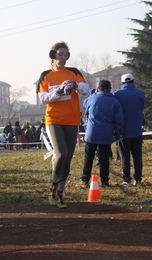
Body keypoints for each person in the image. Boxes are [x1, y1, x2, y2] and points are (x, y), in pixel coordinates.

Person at [36, 41, 90, 208]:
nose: (63, 58)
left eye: (66, 55)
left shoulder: (73, 72)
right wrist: (57, 91)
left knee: (67, 159)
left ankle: (60, 193)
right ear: (53, 56)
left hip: (72, 120)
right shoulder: (46, 75)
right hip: (54, 119)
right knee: (61, 154)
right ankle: (53, 185)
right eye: (60, 54)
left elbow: (86, 89)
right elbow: (43, 98)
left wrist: (74, 85)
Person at [78, 80, 124, 187]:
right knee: (104, 158)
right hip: (106, 134)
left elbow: (85, 105)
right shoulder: (115, 102)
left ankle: (85, 180)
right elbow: (119, 120)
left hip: (92, 133)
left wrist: (93, 93)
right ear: (110, 88)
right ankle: (104, 181)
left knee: (88, 157)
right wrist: (117, 134)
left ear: (98, 88)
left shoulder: (92, 98)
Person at [114, 73, 145, 186]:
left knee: (124, 155)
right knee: (137, 155)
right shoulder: (140, 93)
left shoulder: (117, 94)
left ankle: (126, 179)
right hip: (136, 128)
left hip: (123, 130)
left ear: (122, 82)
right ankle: (138, 179)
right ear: (133, 81)